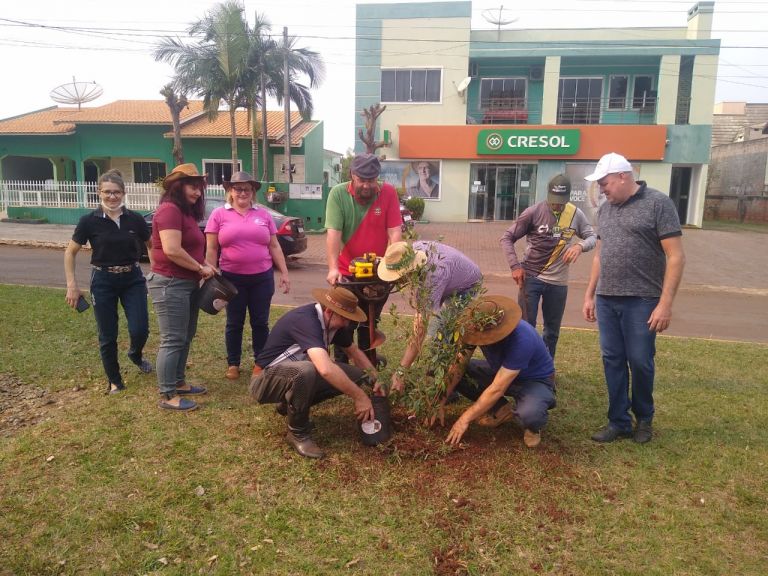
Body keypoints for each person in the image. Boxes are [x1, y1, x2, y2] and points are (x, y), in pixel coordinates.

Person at [582, 152, 685, 444]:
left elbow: (676, 256)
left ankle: (644, 419)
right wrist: (589, 294)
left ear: (623, 177)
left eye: (604, 183)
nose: (601, 189)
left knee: (640, 360)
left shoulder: (658, 203)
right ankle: (618, 421)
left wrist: (665, 304)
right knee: (612, 360)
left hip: (642, 300)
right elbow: (599, 256)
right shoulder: (605, 210)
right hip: (607, 298)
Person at [249, 286, 381, 459]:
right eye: (345, 318)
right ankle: (297, 433)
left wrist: (375, 378)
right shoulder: (306, 321)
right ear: (329, 311)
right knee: (307, 370)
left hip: (288, 376)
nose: (346, 324)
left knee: (356, 376)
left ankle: (287, 403)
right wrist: (359, 397)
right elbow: (325, 369)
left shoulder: (334, 324)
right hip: (263, 381)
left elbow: (354, 352)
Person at [64, 169, 153, 394]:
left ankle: (135, 353)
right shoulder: (89, 221)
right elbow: (70, 252)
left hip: (133, 279)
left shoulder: (135, 219)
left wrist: (154, 273)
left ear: (123, 193)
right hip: (103, 280)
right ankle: (114, 381)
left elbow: (151, 245)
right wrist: (72, 285)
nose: (112, 197)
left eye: (116, 192)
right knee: (107, 334)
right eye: (107, 192)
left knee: (140, 328)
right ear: (99, 192)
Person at [205, 171, 290, 380]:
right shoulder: (219, 214)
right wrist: (210, 272)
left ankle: (261, 362)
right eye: (238, 188)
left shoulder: (263, 215)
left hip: (261, 277)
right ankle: (233, 363)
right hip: (232, 279)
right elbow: (212, 248)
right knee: (234, 322)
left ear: (253, 192)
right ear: (230, 191)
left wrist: (285, 272)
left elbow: (274, 245)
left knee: (260, 322)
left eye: (247, 189)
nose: (242, 192)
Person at [500, 174, 596, 360]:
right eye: (554, 202)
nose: (557, 206)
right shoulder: (533, 212)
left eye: (561, 202)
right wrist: (515, 266)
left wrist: (579, 245)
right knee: (526, 328)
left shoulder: (576, 214)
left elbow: (592, 236)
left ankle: (545, 371)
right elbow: (507, 238)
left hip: (559, 283)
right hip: (531, 278)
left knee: (552, 332)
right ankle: (522, 369)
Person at [443, 295, 556, 449]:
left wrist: (464, 419)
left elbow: (497, 388)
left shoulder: (523, 338)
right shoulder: (474, 330)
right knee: (460, 372)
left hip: (533, 380)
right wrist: (440, 401)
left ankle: (533, 427)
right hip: (501, 371)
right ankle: (501, 409)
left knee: (530, 415)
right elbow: (458, 366)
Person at [147, 163, 215, 412]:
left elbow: (192, 248)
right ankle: (167, 394)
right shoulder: (169, 210)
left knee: (185, 335)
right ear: (178, 186)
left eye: (199, 188)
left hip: (186, 283)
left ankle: (179, 382)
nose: (197, 193)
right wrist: (200, 269)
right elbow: (172, 250)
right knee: (172, 339)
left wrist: (206, 263)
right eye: (192, 186)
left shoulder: (184, 212)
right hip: (170, 284)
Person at [376, 241, 482, 394]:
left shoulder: (433, 276)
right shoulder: (411, 252)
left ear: (409, 271)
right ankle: (438, 373)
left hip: (467, 286)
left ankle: (448, 388)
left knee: (445, 336)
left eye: (398, 277)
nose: (396, 282)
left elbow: (420, 329)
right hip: (451, 276)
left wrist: (400, 371)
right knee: (437, 332)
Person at [325, 153, 402, 351]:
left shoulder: (388, 193)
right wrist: (333, 268)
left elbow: (394, 232)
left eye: (371, 180)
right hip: (347, 270)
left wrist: (394, 264)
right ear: (352, 175)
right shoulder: (338, 194)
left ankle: (368, 368)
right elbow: (333, 234)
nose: (366, 186)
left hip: (377, 272)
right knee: (344, 322)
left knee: (369, 323)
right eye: (361, 180)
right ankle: (344, 366)